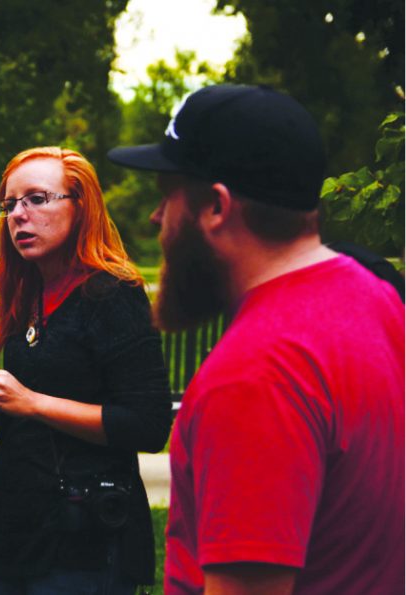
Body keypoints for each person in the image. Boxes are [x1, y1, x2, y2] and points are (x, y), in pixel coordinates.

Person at [107, 84, 405, 594]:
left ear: (217, 207)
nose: (158, 219)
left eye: (168, 195)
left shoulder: (254, 376)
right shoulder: (379, 301)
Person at [0, 147, 173, 593]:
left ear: (81, 207)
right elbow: (36, 414)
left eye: (37, 199)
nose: (18, 215)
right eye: (9, 205)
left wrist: (29, 401)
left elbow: (147, 425)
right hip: (9, 521)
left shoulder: (112, 295)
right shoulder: (28, 295)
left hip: (79, 532)